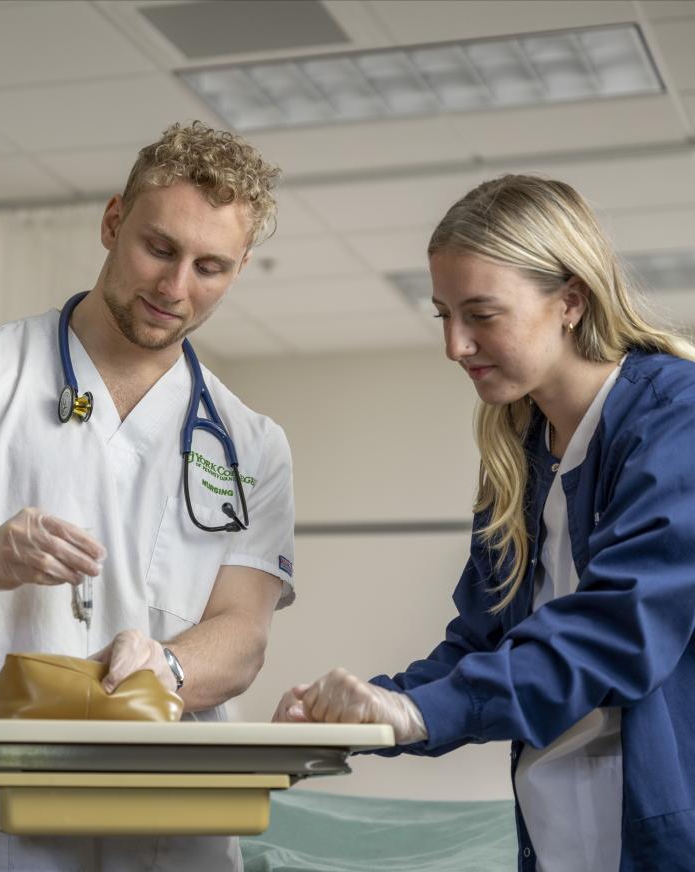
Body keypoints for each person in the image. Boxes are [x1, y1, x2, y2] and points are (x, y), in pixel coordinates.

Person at [274, 174, 695, 871]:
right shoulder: (520, 456)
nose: (455, 345)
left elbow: (620, 629)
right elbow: (482, 641)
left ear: (570, 300)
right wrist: (371, 709)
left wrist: (421, 714)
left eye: (481, 313)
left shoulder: (675, 418)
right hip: (560, 841)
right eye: (442, 313)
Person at [0, 121, 295, 871]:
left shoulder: (251, 442)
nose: (175, 287)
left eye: (211, 267)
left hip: (169, 819)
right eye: (159, 249)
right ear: (112, 221)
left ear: (240, 267)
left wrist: (170, 665)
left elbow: (244, 634)